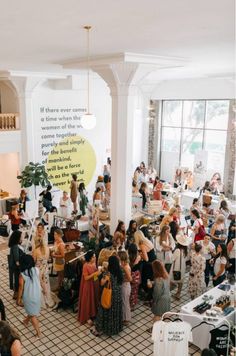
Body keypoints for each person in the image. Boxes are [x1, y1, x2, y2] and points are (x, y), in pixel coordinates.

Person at [91, 255, 123, 336]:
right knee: (115, 311)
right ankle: (115, 329)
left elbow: (102, 283)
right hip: (117, 295)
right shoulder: (120, 271)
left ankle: (100, 330)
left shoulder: (108, 273)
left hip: (109, 294)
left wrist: (102, 273)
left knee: (104, 310)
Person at [17, 254, 41, 338]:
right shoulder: (36, 270)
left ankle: (38, 333)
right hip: (37, 294)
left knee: (33, 315)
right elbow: (40, 280)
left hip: (29, 296)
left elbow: (20, 288)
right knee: (31, 311)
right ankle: (25, 321)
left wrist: (18, 299)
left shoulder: (22, 275)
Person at [78, 250, 101, 325]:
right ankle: (87, 317)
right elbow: (86, 278)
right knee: (88, 300)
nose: (95, 258)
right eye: (93, 257)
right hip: (88, 285)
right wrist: (95, 273)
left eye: (95, 257)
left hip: (94, 283)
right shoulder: (85, 266)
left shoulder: (94, 264)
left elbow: (95, 274)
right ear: (89, 258)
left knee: (93, 299)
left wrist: (99, 272)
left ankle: (93, 314)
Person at [148, 260, 171, 331]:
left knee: (157, 315)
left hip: (161, 300)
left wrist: (154, 301)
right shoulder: (166, 275)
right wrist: (153, 283)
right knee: (165, 313)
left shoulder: (158, 280)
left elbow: (157, 294)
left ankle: (155, 329)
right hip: (167, 297)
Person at [32, 238, 55, 308]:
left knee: (39, 285)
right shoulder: (47, 248)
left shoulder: (35, 251)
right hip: (45, 269)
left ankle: (42, 300)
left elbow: (33, 261)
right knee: (46, 284)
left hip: (38, 270)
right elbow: (49, 259)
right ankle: (48, 299)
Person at [134, 230, 156, 300]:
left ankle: (149, 297)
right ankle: (151, 295)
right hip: (153, 262)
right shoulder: (147, 240)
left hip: (148, 265)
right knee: (150, 279)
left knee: (146, 280)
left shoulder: (141, 244)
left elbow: (146, 258)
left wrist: (140, 255)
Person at [170, 234, 188, 300]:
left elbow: (172, 259)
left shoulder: (177, 250)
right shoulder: (185, 250)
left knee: (171, 281)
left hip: (176, 267)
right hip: (182, 267)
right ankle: (178, 293)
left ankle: (167, 293)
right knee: (181, 281)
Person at [8, 231, 25, 301]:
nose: (22, 237)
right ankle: (18, 297)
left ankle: (16, 294)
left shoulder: (16, 245)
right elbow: (17, 260)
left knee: (16, 280)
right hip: (17, 267)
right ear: (17, 238)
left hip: (16, 267)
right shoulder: (15, 246)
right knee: (18, 281)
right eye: (21, 236)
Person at [118, 250, 132, 325]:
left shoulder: (126, 267)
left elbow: (130, 279)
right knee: (125, 302)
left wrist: (122, 279)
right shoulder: (124, 265)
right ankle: (125, 318)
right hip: (125, 286)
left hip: (125, 286)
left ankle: (126, 319)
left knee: (125, 303)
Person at [128, 243, 141, 310]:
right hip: (136, 275)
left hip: (130, 274)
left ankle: (129, 304)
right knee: (135, 290)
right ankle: (133, 305)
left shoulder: (128, 257)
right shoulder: (138, 256)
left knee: (130, 290)